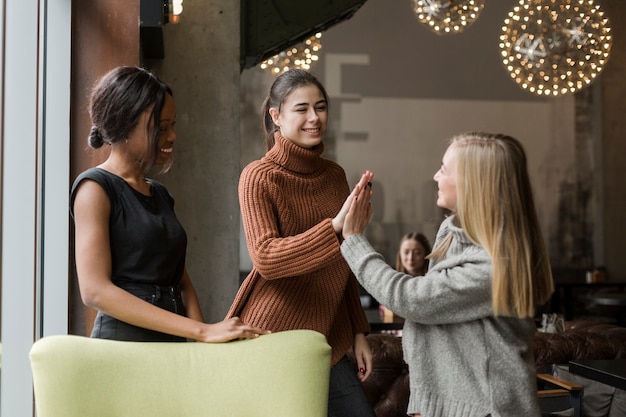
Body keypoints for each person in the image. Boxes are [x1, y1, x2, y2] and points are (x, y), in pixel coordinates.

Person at [341, 132, 554, 417]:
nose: (435, 176)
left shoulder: (495, 264)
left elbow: (415, 301)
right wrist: (423, 401)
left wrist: (354, 240)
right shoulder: (452, 237)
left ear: (472, 183)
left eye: (443, 169)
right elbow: (438, 325)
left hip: (488, 409)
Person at [71, 66, 268, 343]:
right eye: (161, 128)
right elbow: (94, 291)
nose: (173, 136)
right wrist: (202, 331)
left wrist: (203, 343)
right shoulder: (94, 188)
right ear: (125, 125)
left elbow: (181, 280)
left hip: (172, 344)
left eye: (172, 126)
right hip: (122, 351)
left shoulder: (160, 194)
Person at [226, 69, 377, 417]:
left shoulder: (334, 175)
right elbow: (266, 258)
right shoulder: (258, 176)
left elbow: (344, 260)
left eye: (321, 107)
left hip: (329, 335)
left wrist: (357, 331)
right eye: (302, 108)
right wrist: (335, 226)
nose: (314, 118)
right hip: (273, 334)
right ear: (276, 116)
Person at [380, 232, 431, 323]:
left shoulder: (433, 281)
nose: (410, 258)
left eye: (417, 253)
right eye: (406, 252)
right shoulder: (392, 281)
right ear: (400, 254)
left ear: (426, 254)